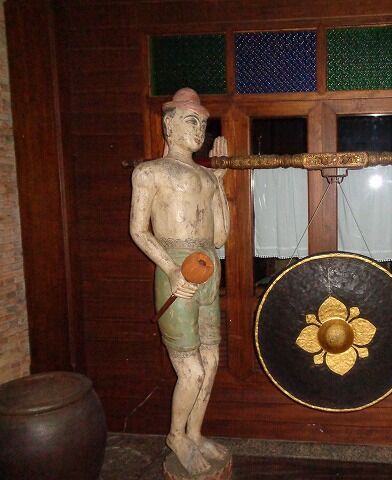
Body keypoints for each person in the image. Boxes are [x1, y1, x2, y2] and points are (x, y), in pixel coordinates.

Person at [129, 88, 230, 476]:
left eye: (203, 123)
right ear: (168, 125)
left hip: (207, 268)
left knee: (212, 360)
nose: (200, 130)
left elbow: (219, 237)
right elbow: (139, 230)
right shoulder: (150, 172)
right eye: (192, 121)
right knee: (192, 370)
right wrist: (171, 270)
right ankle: (176, 436)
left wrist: (219, 183)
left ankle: (194, 433)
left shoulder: (206, 176)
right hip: (176, 272)